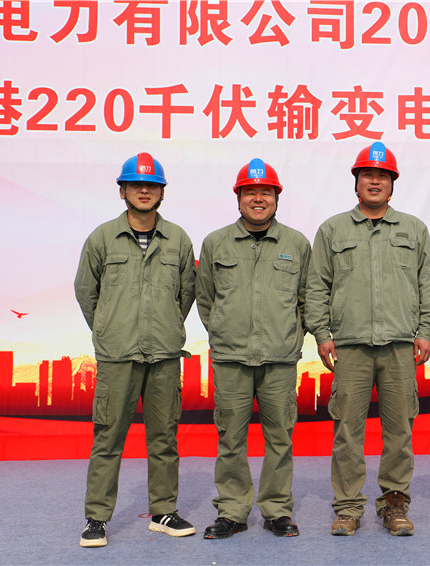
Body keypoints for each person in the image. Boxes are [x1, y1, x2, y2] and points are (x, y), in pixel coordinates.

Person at [306, 142, 430, 536]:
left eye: (383, 176)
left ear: (393, 184)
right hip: (350, 346)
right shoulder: (333, 229)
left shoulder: (413, 229)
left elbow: (428, 284)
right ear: (357, 182)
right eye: (368, 175)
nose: (375, 181)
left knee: (400, 431)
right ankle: (348, 507)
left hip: (400, 345)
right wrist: (322, 333)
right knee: (347, 432)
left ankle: (394, 505)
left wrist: (426, 331)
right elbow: (317, 286)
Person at [74, 152, 197, 547]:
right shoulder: (101, 239)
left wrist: (164, 327)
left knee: (164, 438)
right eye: (136, 185)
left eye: (152, 185)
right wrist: (110, 330)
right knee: (108, 437)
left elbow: (186, 294)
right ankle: (96, 519)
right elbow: (86, 292)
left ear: (162, 193)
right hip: (118, 357)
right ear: (122, 190)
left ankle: (163, 512)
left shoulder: (178, 239)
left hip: (164, 356)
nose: (144, 191)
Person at [196, 159, 310, 540]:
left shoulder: (296, 244)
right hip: (231, 359)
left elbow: (306, 299)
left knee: (280, 437)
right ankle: (232, 511)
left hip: (279, 359)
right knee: (231, 437)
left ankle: (277, 510)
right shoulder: (216, 243)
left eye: (265, 193)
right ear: (238, 198)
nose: (258, 199)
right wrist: (223, 331)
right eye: (250, 192)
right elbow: (206, 299)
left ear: (277, 198)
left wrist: (291, 338)